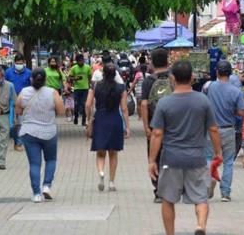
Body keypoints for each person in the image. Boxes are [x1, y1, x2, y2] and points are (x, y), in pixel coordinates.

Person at [148, 61, 222, 235]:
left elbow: (157, 134)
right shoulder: (203, 101)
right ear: (192, 78)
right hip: (197, 158)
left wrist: (152, 160)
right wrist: (218, 152)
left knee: (167, 199)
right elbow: (213, 129)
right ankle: (200, 226)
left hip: (171, 159)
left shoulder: (164, 103)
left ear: (172, 79)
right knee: (201, 198)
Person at [15, 68, 64, 203]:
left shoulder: (24, 92)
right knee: (51, 160)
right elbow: (61, 111)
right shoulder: (52, 92)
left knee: (34, 164)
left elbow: (18, 110)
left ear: (31, 79)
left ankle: (36, 194)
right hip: (49, 132)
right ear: (45, 80)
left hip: (29, 132)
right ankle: (47, 186)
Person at [203, 60, 244, 202]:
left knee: (209, 158)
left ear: (217, 72)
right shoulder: (236, 91)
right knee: (228, 162)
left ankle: (209, 182)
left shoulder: (209, 87)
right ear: (231, 73)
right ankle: (225, 193)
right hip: (228, 130)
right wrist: (232, 111)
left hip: (211, 129)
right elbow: (241, 112)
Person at [85, 63, 130, 192]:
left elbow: (88, 105)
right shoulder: (121, 88)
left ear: (103, 73)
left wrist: (89, 119)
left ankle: (101, 172)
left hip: (100, 119)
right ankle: (111, 182)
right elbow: (124, 108)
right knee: (113, 153)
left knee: (100, 152)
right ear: (115, 74)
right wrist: (127, 126)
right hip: (115, 120)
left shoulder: (95, 86)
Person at [141, 48, 172, 203]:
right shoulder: (173, 78)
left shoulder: (148, 80)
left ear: (152, 62)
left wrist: (146, 126)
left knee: (154, 156)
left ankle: (159, 191)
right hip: (173, 126)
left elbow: (144, 104)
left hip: (154, 125)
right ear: (167, 61)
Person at [0, 66, 16, 170]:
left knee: (3, 140)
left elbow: (14, 101)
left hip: (5, 115)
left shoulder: (10, 86)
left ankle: (1, 162)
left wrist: (15, 117)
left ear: (3, 76)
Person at [5, 53, 32, 152]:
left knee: (21, 124)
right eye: (17, 63)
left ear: (24, 63)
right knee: (11, 126)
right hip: (11, 102)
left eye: (21, 63)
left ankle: (18, 143)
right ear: (14, 63)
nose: (19, 65)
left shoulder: (29, 73)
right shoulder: (8, 72)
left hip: (24, 102)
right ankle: (16, 140)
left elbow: (32, 87)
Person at [69, 54, 92, 126]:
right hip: (77, 89)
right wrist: (75, 79)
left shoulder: (88, 67)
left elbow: (90, 77)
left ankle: (83, 121)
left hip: (85, 88)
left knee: (84, 104)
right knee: (76, 104)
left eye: (82, 60)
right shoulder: (74, 68)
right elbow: (69, 78)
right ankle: (76, 117)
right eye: (79, 61)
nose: (81, 62)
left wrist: (90, 84)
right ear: (77, 61)